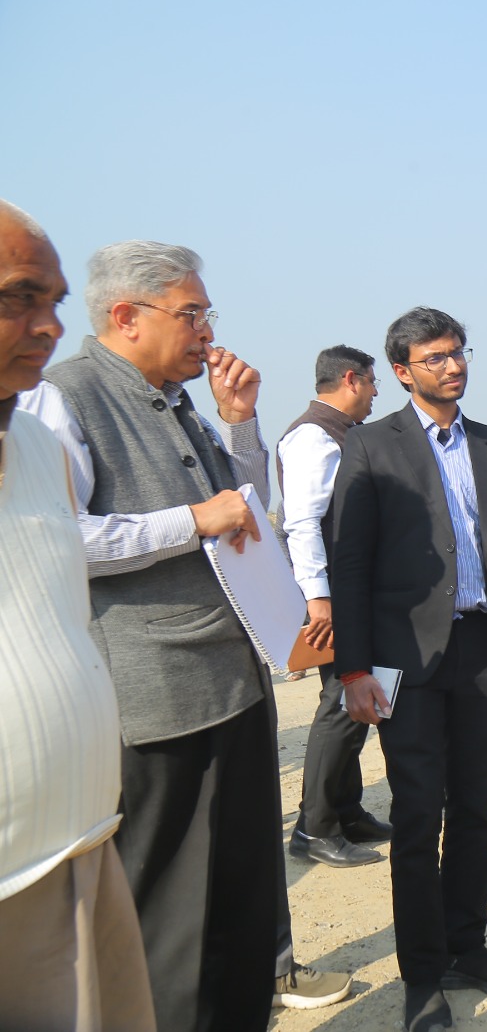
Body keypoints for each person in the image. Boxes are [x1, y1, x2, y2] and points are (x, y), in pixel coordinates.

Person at [20, 240, 289, 1030]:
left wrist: (241, 428)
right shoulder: (63, 399)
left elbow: (245, 521)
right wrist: (190, 520)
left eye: (207, 313)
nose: (208, 331)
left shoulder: (179, 402)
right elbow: (64, 539)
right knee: (175, 923)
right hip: (158, 701)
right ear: (127, 316)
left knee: (243, 900)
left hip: (233, 684)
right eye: (192, 313)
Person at [330, 307, 487, 1032]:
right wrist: (353, 669)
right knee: (419, 815)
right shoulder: (371, 447)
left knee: (477, 810)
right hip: (406, 659)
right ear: (402, 371)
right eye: (435, 358)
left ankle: (467, 946)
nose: (452, 366)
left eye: (458, 353)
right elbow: (350, 563)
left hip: (484, 651)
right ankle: (422, 975)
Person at [0, 200, 158, 1032]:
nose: (49, 326)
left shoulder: (36, 448)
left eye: (53, 301)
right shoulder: (72, 404)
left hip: (81, 844)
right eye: (18, 297)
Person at [281, 345, 391, 870]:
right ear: (351, 379)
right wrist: (319, 598)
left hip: (353, 590)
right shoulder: (314, 436)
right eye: (372, 382)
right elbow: (303, 523)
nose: (375, 393)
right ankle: (315, 828)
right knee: (343, 705)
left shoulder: (341, 433)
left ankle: (345, 811)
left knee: (354, 703)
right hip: (336, 595)